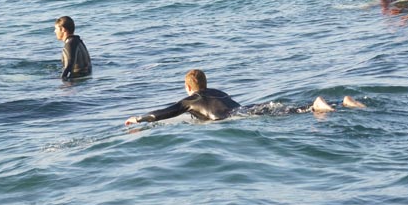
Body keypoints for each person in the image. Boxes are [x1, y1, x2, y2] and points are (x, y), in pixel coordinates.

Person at [124, 69, 365, 125]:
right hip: (248, 108)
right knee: (286, 110)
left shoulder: (189, 101)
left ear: (188, 87)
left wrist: (139, 119)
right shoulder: (219, 92)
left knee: (285, 114)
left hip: (237, 117)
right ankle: (340, 103)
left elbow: (165, 112)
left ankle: (319, 106)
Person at [55, 16, 92, 80]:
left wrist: (64, 83)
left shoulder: (70, 44)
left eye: (56, 29)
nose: (55, 31)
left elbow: (69, 66)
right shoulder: (78, 41)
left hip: (76, 82)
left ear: (63, 29)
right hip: (86, 78)